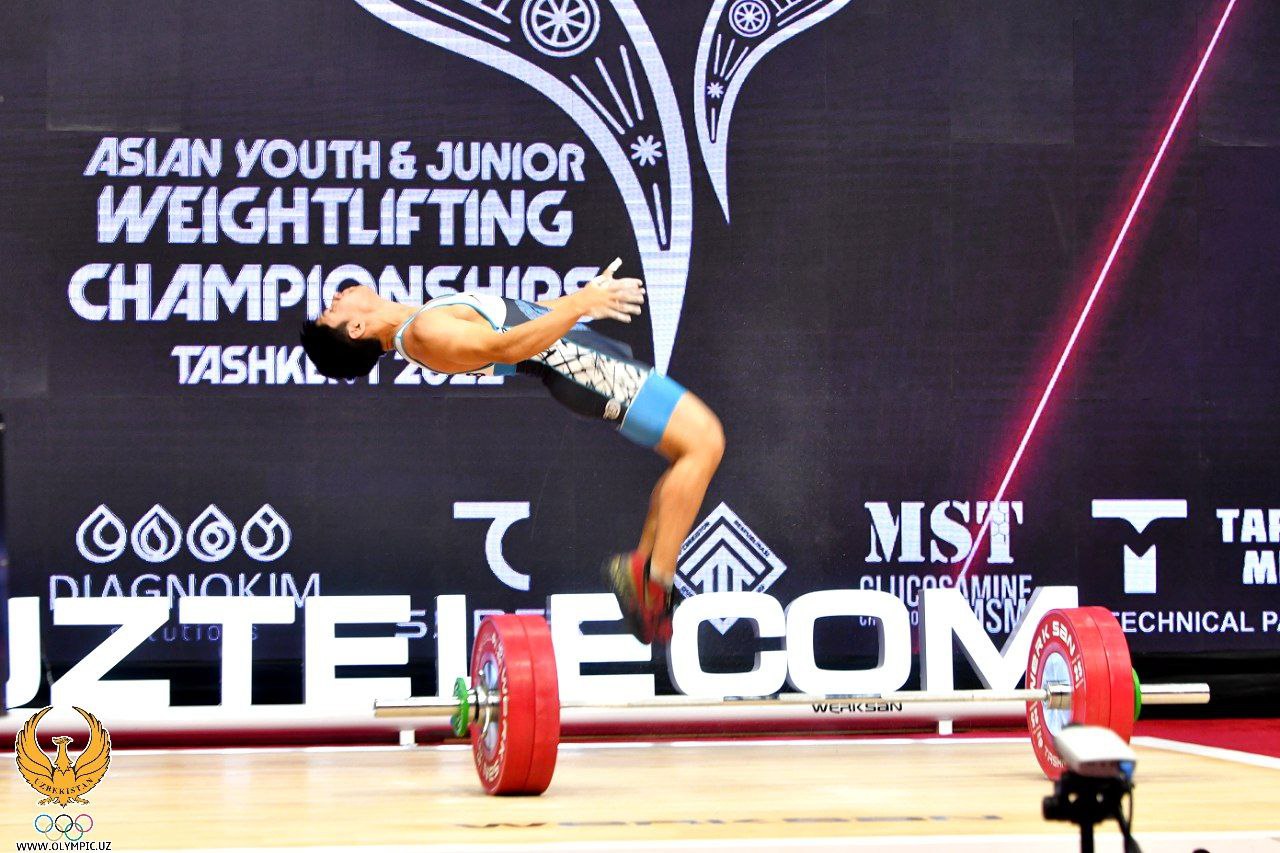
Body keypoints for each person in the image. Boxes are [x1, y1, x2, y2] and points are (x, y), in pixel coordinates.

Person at [300, 260, 724, 644]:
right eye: (330, 312)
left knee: (692, 451)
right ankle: (654, 581)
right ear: (356, 329)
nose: (333, 299)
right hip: (583, 369)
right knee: (704, 442)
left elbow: (523, 316)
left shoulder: (420, 320)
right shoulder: (423, 332)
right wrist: (580, 304)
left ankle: (646, 571)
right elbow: (506, 348)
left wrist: (583, 301)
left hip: (581, 363)